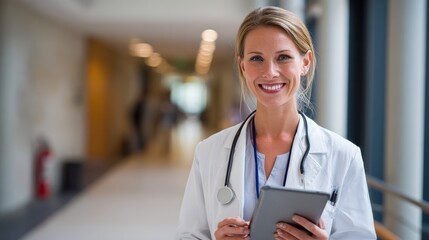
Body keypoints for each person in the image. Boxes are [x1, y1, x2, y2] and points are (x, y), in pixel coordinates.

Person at [176, 6, 376, 240]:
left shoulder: (344, 156)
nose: (270, 72)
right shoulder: (209, 152)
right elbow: (188, 234)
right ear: (242, 66)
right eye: (256, 59)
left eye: (283, 57)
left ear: (305, 62)